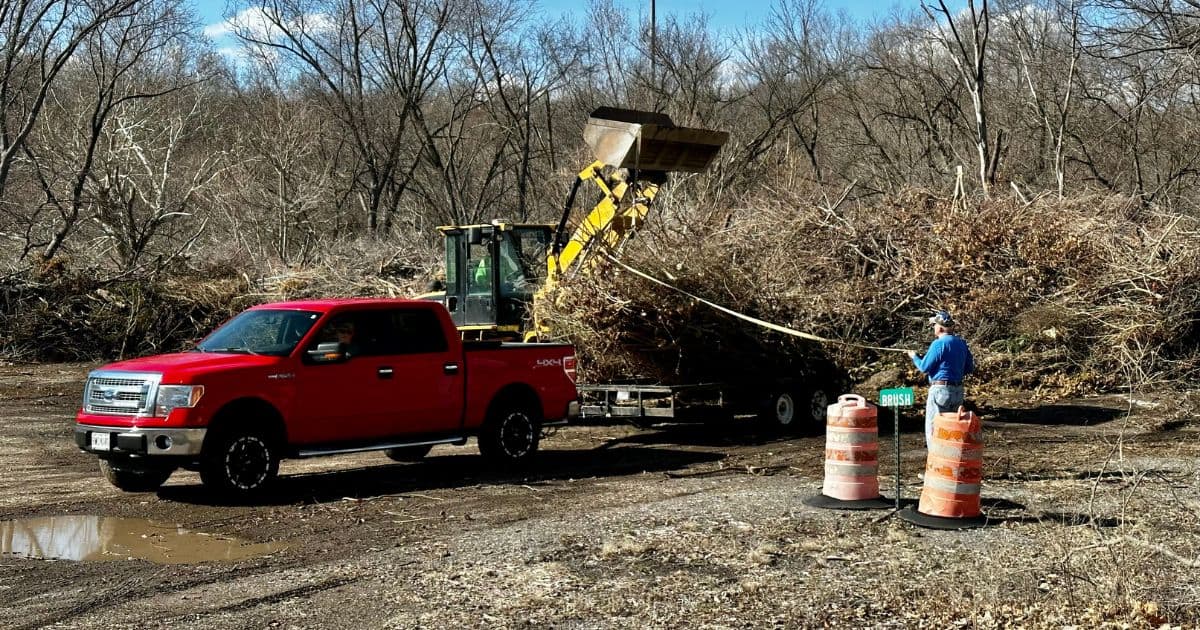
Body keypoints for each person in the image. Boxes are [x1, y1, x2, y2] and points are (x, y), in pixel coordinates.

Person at [907, 310, 975, 447]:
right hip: (958, 391)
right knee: (952, 428)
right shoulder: (961, 343)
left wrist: (914, 357)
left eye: (934, 325)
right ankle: (950, 459)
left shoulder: (938, 344)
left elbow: (924, 367)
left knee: (934, 429)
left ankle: (936, 461)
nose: (933, 328)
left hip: (940, 390)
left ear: (940, 327)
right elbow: (969, 368)